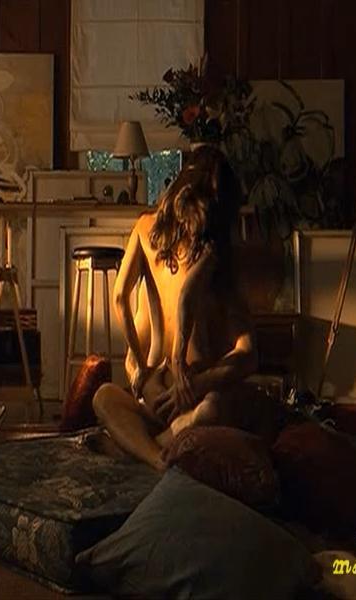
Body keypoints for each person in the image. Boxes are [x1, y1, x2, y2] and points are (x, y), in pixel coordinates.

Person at [92, 146, 280, 471]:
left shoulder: (145, 228)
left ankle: (143, 450)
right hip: (187, 392)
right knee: (213, 409)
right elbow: (248, 354)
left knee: (105, 398)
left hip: (158, 388)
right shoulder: (214, 254)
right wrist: (200, 382)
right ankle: (161, 453)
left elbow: (120, 297)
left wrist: (138, 366)